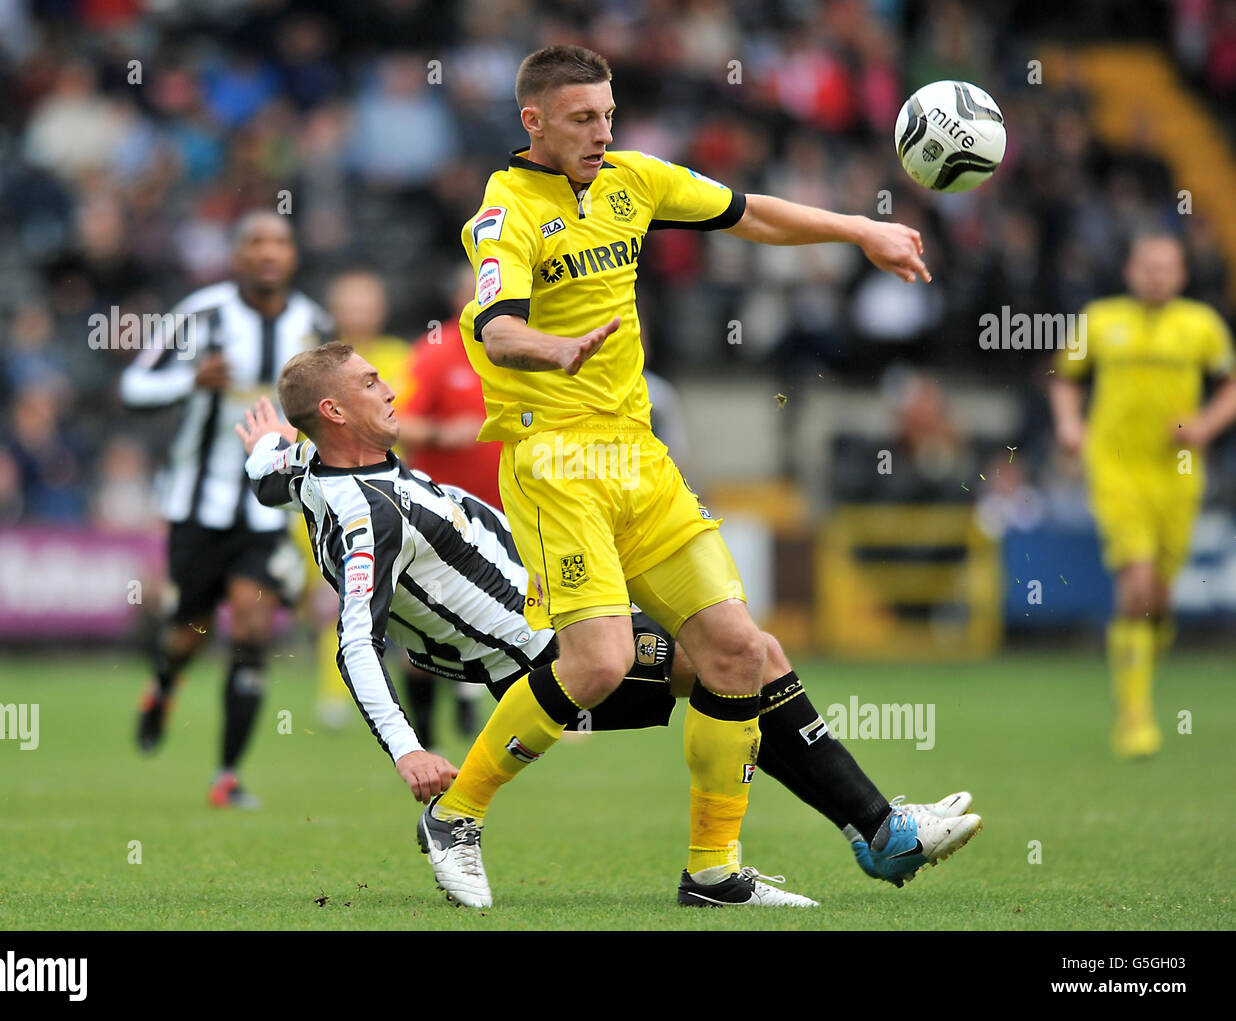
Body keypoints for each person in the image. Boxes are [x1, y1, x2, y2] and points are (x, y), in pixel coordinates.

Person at [432, 44, 962, 907]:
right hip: (556, 458)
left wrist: (859, 228)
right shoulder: (505, 211)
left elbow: (749, 214)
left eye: (608, 113)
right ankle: (456, 812)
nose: (602, 131)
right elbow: (495, 329)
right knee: (599, 662)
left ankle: (713, 870)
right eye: (581, 118)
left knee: (738, 651)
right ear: (532, 122)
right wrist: (554, 348)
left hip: (638, 456)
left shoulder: (635, 180)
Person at [237, 353, 981, 910]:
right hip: (544, 654)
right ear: (334, 412)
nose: (390, 387)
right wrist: (406, 748)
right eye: (371, 382)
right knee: (743, 654)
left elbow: (277, 472)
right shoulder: (368, 513)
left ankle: (864, 831)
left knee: (748, 652)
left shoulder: (313, 467)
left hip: (561, 609)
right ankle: (814, 847)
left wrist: (262, 449)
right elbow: (356, 641)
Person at [120, 210, 329, 807]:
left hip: (269, 508)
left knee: (253, 623)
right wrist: (191, 381)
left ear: (292, 255)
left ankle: (227, 777)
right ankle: (162, 685)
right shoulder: (201, 314)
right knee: (188, 629)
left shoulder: (313, 323)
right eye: (255, 242)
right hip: (198, 504)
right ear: (236, 255)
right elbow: (133, 389)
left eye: (279, 242)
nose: (268, 252)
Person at [1051, 231, 1236, 758]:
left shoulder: (1201, 326)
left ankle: (1140, 673)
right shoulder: (1101, 319)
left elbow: (1230, 386)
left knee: (1159, 599)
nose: (1156, 275)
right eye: (1147, 266)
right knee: (1135, 585)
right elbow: (1066, 378)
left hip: (1178, 474)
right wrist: (1069, 423)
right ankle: (1134, 716)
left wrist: (1203, 426)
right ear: (1130, 270)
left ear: (1181, 274)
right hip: (1115, 470)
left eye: (1166, 267)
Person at [393, 264, 501, 743]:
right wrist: (441, 433)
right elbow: (394, 423)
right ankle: (425, 735)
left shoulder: (519, 349)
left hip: (507, 514)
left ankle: (479, 708)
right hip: (443, 517)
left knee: (504, 616)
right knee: (431, 622)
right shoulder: (435, 353)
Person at [308, 269, 414, 730]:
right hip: (337, 499)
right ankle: (336, 695)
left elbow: (412, 422)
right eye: (349, 303)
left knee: (411, 604)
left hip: (400, 497)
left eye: (365, 302)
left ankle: (443, 691)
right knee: (335, 600)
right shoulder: (314, 368)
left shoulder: (403, 357)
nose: (358, 312)